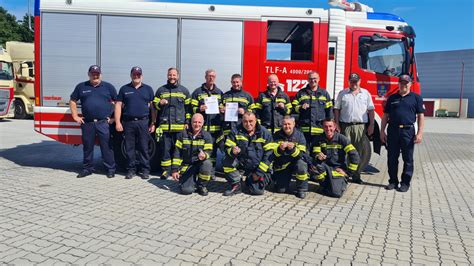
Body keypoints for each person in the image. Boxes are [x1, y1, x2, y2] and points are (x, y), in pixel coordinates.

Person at [70, 65, 117, 178]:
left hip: (103, 123)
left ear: (100, 74)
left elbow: (118, 102)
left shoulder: (108, 87)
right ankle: (87, 169)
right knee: (87, 147)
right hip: (88, 123)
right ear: (89, 74)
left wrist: (114, 118)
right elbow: (73, 101)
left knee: (107, 147)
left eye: (97, 73)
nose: (95, 75)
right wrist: (75, 116)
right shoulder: (81, 87)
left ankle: (110, 169)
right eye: (93, 73)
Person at [380, 74, 425, 192]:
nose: (403, 85)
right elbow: (385, 116)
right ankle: (393, 181)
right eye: (401, 82)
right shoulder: (392, 98)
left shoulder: (416, 98)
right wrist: (382, 132)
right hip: (393, 130)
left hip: (408, 131)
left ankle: (405, 183)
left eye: (406, 83)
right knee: (392, 158)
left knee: (408, 158)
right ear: (398, 84)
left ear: (410, 84)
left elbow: (420, 116)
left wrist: (420, 133)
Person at [115, 66, 155, 179]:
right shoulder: (124, 89)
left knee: (143, 147)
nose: (136, 76)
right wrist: (118, 122)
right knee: (129, 148)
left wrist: (153, 122)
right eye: (134, 74)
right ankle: (131, 170)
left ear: (141, 76)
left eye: (138, 74)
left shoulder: (148, 89)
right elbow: (118, 105)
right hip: (128, 123)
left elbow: (153, 107)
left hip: (143, 122)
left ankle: (145, 170)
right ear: (131, 75)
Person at [334, 73, 375, 183]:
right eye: (352, 81)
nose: (354, 83)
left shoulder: (365, 94)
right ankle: (344, 174)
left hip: (360, 127)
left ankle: (356, 175)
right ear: (348, 82)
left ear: (360, 81)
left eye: (356, 81)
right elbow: (337, 109)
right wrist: (336, 123)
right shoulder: (342, 94)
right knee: (344, 151)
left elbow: (371, 110)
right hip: (345, 126)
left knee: (359, 152)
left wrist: (371, 125)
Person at [222, 112, 274, 196]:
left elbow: (269, 156)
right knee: (226, 160)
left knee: (257, 192)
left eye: (251, 121)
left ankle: (253, 179)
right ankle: (236, 185)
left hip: (258, 167)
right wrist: (232, 150)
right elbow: (227, 147)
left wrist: (259, 173)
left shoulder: (265, 134)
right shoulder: (235, 131)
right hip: (242, 164)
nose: (248, 124)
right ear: (242, 121)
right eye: (245, 121)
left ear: (256, 121)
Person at [153, 68, 191, 180]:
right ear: (167, 76)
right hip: (165, 127)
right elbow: (154, 106)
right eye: (170, 75)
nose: (172, 77)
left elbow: (188, 109)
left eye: (174, 75)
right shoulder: (161, 90)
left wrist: (187, 122)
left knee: (178, 150)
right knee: (165, 149)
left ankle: (177, 169)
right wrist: (159, 103)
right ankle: (165, 171)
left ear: (178, 76)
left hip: (179, 128)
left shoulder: (184, 91)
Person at [310, 118, 360, 198]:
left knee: (336, 194)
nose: (328, 129)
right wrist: (317, 155)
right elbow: (313, 153)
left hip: (338, 169)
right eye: (325, 126)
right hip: (325, 168)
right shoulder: (319, 139)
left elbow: (355, 156)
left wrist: (348, 173)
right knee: (314, 166)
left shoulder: (342, 139)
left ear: (335, 127)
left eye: (330, 126)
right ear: (323, 127)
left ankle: (336, 185)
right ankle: (324, 186)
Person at [171, 113, 213, 196]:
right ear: (191, 122)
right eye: (195, 122)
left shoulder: (207, 135)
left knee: (207, 163)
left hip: (199, 163)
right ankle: (187, 182)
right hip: (187, 165)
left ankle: (201, 185)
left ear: (203, 123)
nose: (197, 124)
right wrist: (175, 170)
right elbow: (177, 153)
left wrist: (204, 155)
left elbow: (209, 151)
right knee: (186, 190)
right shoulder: (183, 134)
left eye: (199, 122)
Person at [191, 69, 224, 167]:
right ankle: (199, 169)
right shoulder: (197, 92)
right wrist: (199, 109)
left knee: (213, 150)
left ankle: (211, 171)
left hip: (215, 128)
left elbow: (223, 106)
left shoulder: (219, 92)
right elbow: (191, 108)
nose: (211, 78)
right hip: (202, 128)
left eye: (213, 76)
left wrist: (222, 109)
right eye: (209, 76)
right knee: (200, 149)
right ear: (205, 77)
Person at [292, 71, 333, 149]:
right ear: (307, 80)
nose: (312, 80)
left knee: (317, 151)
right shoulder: (301, 93)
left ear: (319, 79)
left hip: (319, 130)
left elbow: (329, 111)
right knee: (305, 151)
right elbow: (293, 108)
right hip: (304, 130)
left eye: (315, 78)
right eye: (310, 78)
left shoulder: (324, 93)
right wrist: (300, 107)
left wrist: (330, 126)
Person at [272, 116, 309, 199]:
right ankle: (279, 181)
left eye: (289, 124)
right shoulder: (276, 135)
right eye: (285, 124)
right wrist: (279, 149)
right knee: (281, 190)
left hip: (296, 162)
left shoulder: (300, 136)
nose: (287, 126)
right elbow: (273, 154)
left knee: (302, 165)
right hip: (283, 164)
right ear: (281, 125)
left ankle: (301, 189)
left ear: (294, 124)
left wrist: (293, 149)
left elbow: (301, 155)